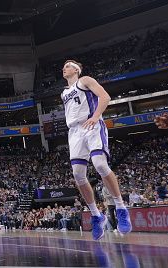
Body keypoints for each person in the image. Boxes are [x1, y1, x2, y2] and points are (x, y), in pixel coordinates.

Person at [60, 60, 132, 240]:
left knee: (99, 164)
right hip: (74, 132)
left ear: (76, 69)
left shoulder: (84, 80)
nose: (64, 68)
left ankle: (121, 207)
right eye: (64, 67)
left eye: (68, 66)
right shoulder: (64, 93)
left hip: (91, 125)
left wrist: (96, 116)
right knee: (77, 174)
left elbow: (105, 97)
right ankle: (95, 215)